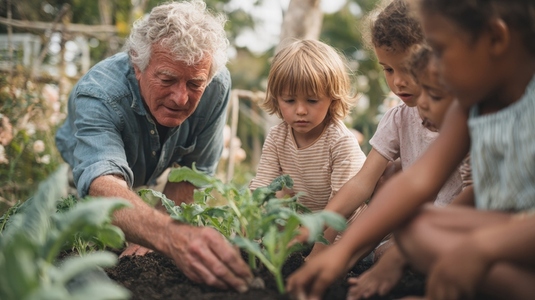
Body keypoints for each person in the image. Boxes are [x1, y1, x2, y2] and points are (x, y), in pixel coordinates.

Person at [286, 0, 535, 298]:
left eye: (440, 52)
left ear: (496, 39)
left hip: (515, 238)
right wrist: (343, 251)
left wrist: (482, 248)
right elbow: (416, 182)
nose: (432, 68)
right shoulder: (469, 105)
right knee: (412, 225)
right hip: (496, 236)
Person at [55, 0, 253, 293]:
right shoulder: (99, 94)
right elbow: (102, 184)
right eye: (167, 79)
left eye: (194, 84)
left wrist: (150, 235)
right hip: (87, 168)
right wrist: (169, 236)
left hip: (157, 162)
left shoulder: (216, 85)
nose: (180, 98)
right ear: (138, 66)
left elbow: (191, 172)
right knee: (76, 243)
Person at [299, 0, 462, 273]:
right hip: (415, 232)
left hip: (457, 228)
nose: (397, 81)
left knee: (391, 257)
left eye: (408, 68)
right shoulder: (399, 118)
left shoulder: (464, 115)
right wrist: (319, 245)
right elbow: (363, 183)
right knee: (379, 251)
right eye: (388, 69)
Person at [347, 44, 472, 300]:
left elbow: (477, 198)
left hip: (468, 232)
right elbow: (381, 184)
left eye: (434, 95)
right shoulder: (402, 117)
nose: (422, 103)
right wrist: (339, 252)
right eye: (388, 70)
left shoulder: (473, 126)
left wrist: (398, 254)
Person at [249, 39, 367, 222]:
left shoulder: (339, 141)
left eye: (312, 101)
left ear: (332, 100)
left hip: (347, 230)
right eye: (289, 100)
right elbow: (263, 187)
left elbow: (342, 207)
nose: (301, 110)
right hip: (305, 228)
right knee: (276, 197)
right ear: (276, 99)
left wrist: (322, 250)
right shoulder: (277, 137)